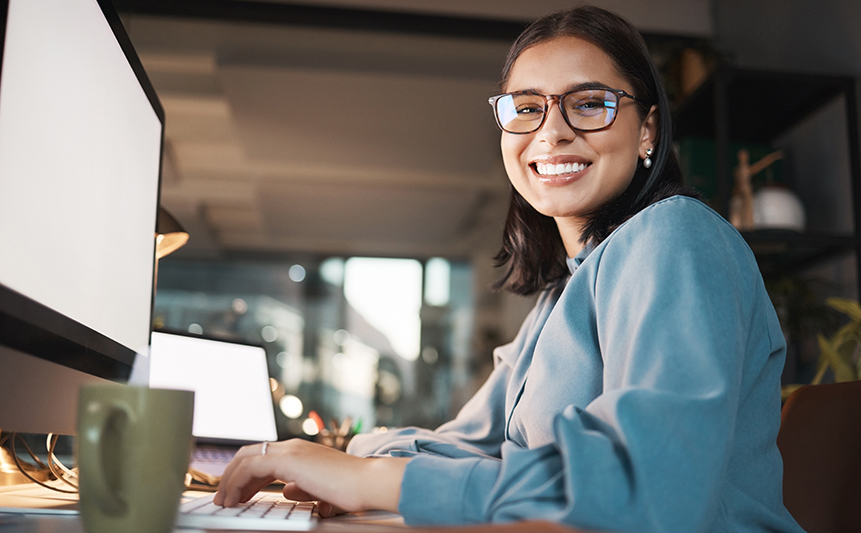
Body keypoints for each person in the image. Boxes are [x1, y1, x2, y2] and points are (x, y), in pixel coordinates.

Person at [214, 6, 806, 532]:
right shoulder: (561, 295)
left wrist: (370, 480)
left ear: (647, 129)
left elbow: (648, 491)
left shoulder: (676, 236)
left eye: (590, 103)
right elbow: (470, 446)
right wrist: (343, 459)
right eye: (526, 108)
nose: (551, 131)